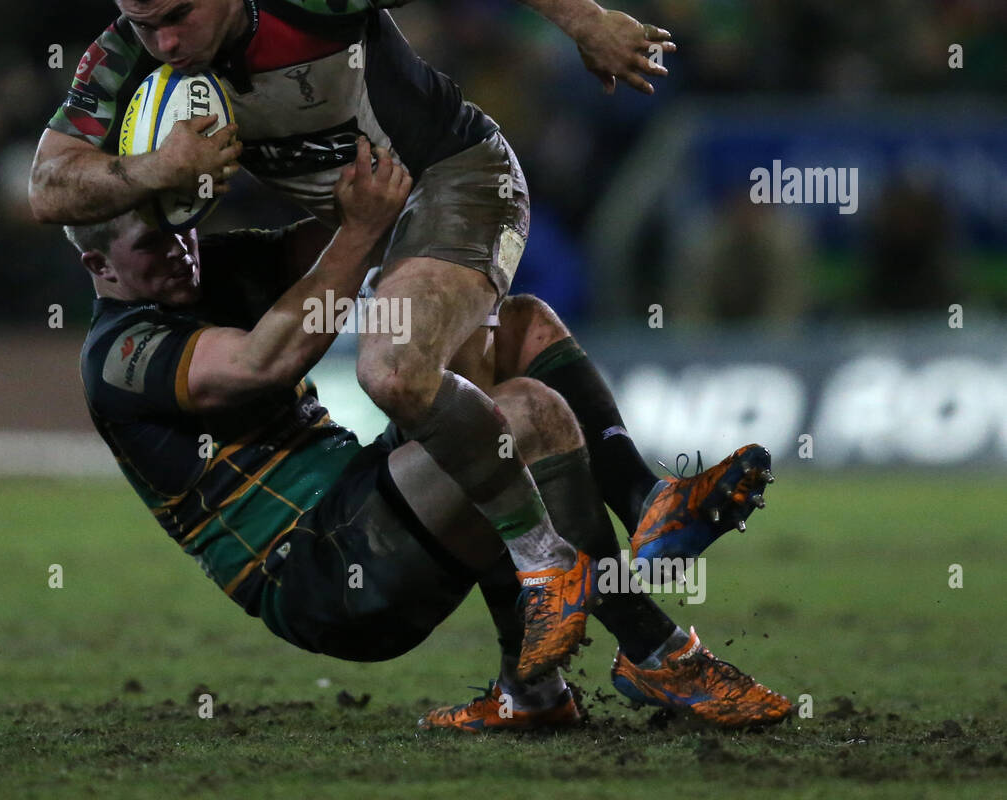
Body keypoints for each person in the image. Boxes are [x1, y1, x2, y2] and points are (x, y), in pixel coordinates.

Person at [32, 0, 744, 681]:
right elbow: (48, 187)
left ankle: (553, 565)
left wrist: (587, 21)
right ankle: (628, 557)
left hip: (453, 175)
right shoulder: (131, 55)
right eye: (142, 24)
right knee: (501, 361)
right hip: (385, 229)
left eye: (176, 16)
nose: (164, 43)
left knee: (392, 370)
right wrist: (160, 168)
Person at [66, 137, 789, 731]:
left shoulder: (207, 265)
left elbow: (352, 245)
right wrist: (357, 230)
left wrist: (374, 171)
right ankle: (654, 648)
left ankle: (624, 531)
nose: (182, 250)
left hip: (361, 498)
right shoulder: (120, 354)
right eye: (153, 246)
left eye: (182, 225)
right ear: (98, 265)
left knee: (516, 327)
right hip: (315, 572)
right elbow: (263, 362)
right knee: (529, 417)